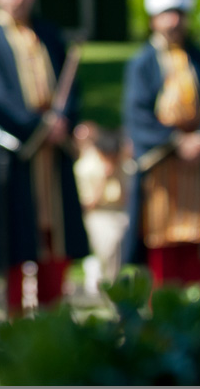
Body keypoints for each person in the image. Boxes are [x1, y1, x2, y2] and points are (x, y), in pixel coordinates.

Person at [0, 0, 89, 316]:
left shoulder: (50, 35)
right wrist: (39, 127)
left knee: (56, 239)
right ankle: (17, 323)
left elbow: (71, 90)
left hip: (53, 155)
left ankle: (55, 317)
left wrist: (63, 121)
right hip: (15, 155)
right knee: (18, 241)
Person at [122, 0, 200, 288]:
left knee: (198, 246)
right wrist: (176, 142)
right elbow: (137, 114)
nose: (173, 21)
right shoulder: (142, 64)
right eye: (166, 14)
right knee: (162, 245)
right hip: (160, 169)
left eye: (179, 14)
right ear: (154, 18)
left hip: (196, 170)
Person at [73, 125, 130, 295]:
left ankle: (113, 285)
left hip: (119, 212)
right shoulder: (86, 167)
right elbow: (88, 203)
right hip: (97, 214)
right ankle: (109, 285)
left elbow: (127, 198)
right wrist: (104, 178)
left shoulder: (124, 166)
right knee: (110, 244)